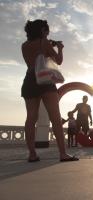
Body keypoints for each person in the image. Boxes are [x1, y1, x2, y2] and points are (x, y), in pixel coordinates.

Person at [21, 19, 78, 162]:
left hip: (29, 80)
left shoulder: (24, 45)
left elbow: (32, 62)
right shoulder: (44, 43)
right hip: (45, 81)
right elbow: (58, 61)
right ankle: (63, 154)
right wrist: (59, 48)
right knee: (55, 118)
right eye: (47, 30)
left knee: (31, 118)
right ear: (42, 31)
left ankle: (32, 154)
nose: (48, 32)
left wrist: (46, 44)